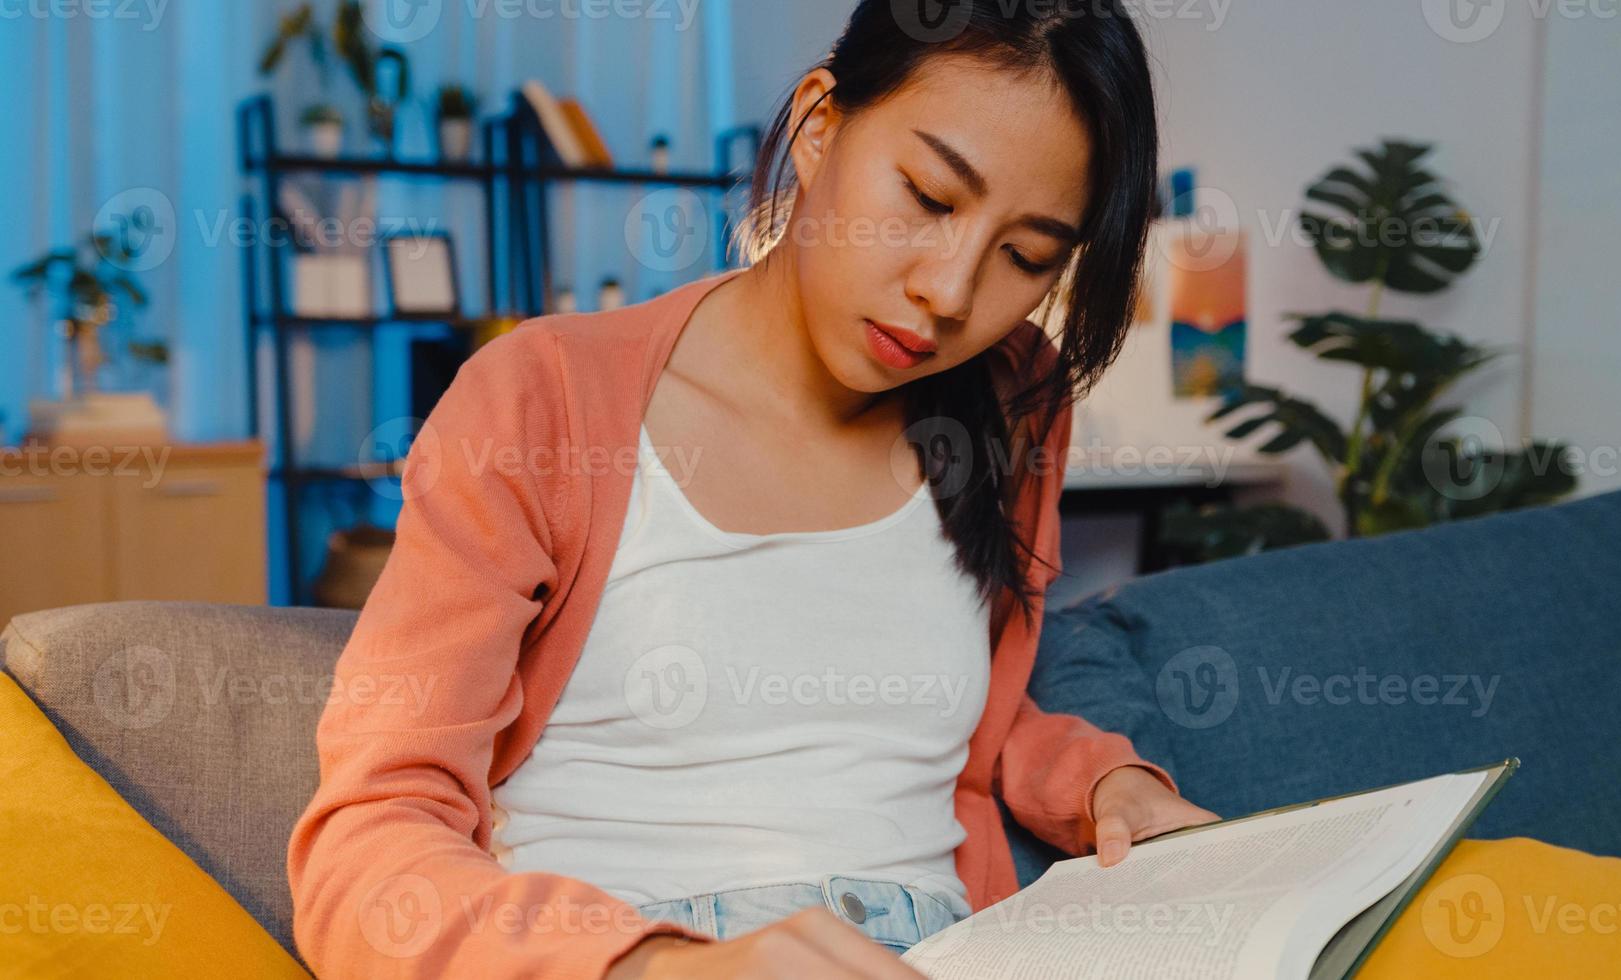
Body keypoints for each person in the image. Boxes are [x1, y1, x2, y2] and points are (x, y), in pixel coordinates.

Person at [287, 2, 1217, 977]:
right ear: (819, 126)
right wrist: (659, 964)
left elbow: (932, 715)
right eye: (929, 195)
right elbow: (372, 833)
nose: (948, 292)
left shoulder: (1011, 404)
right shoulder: (543, 399)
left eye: (1024, 255)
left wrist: (1104, 782)